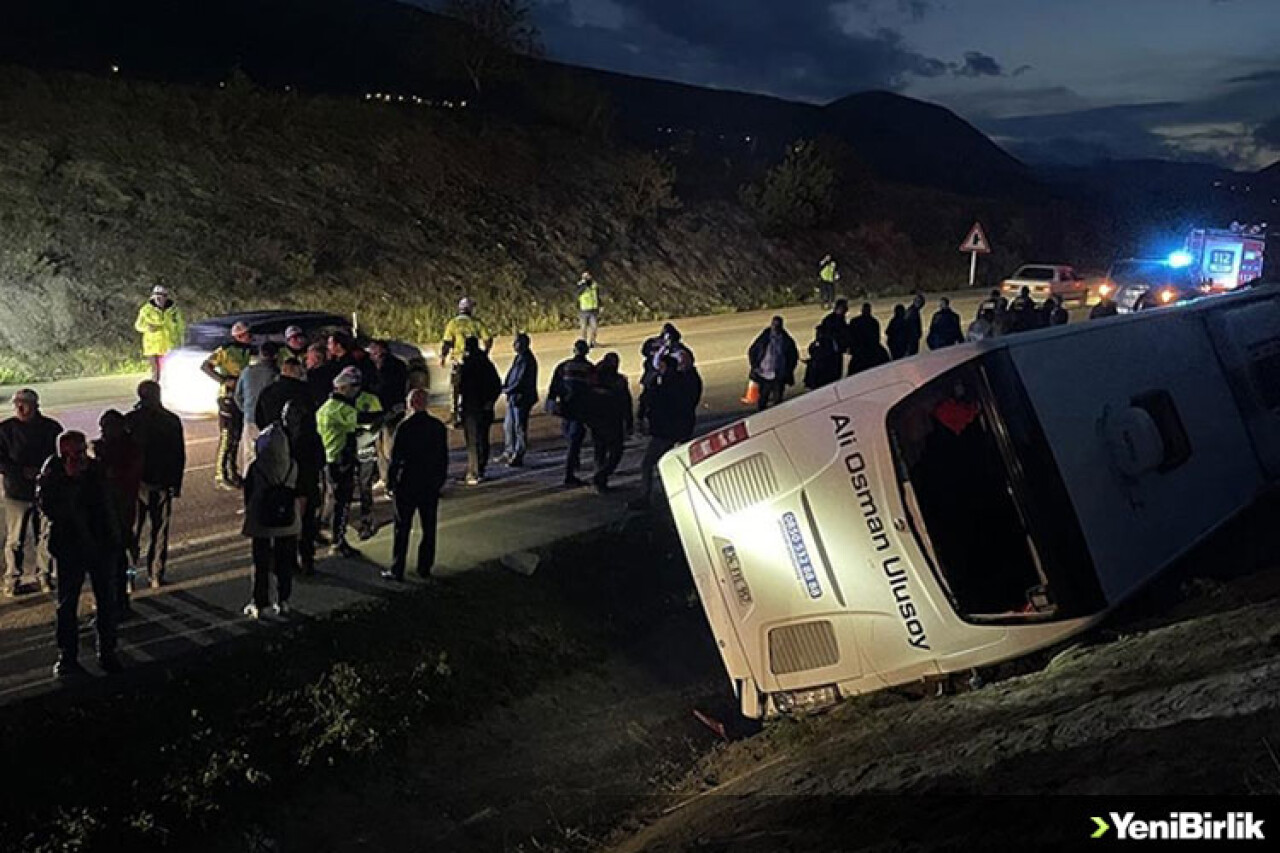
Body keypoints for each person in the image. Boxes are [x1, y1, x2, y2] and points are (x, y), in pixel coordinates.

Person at [38, 431, 122, 677]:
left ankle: (107, 652)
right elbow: (49, 508)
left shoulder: (96, 470)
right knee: (67, 604)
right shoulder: (53, 474)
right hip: (71, 548)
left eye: (80, 451)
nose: (77, 457)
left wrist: (117, 538)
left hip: (100, 545)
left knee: (106, 602)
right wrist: (71, 482)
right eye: (71, 453)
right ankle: (67, 656)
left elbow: (108, 504)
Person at [0, 389, 62, 597]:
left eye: (24, 403)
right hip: (16, 493)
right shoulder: (5, 430)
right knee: (15, 539)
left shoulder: (51, 428)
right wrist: (19, 471)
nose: (20, 407)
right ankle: (12, 579)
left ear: (35, 405)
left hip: (45, 491)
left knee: (44, 536)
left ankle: (44, 575)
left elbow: (57, 457)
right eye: (17, 403)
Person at [125, 380, 185, 588]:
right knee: (159, 532)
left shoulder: (131, 421)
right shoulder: (170, 420)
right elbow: (179, 455)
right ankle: (156, 574)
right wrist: (176, 483)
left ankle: (129, 576)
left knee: (132, 533)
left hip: (137, 483)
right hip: (161, 482)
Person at [384, 389, 448, 581]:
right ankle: (424, 567)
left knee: (402, 528)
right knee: (429, 528)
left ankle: (398, 568)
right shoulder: (437, 427)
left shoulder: (405, 427)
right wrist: (439, 480)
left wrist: (390, 482)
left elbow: (396, 458)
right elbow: (443, 458)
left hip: (407, 483)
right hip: (429, 483)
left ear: (410, 404)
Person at [240, 418, 299, 619]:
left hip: (262, 519)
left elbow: (248, 494)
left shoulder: (257, 467)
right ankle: (284, 601)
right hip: (287, 520)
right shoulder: (292, 465)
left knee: (261, 563)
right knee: (284, 563)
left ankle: (261, 602)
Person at [631, 355, 701, 510]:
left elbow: (649, 400)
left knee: (648, 464)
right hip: (680, 429)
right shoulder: (684, 382)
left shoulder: (662, 385)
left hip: (665, 431)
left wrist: (642, 415)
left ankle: (646, 497)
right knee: (673, 463)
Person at [92, 410, 143, 619]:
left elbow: (123, 479)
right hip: (109, 511)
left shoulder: (128, 449)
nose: (104, 432)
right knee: (111, 558)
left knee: (118, 557)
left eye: (107, 427)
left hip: (120, 510)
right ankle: (114, 599)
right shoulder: (105, 448)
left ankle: (120, 600)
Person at [316, 367, 363, 557]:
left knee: (328, 499)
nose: (357, 390)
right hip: (340, 460)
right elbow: (362, 424)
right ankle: (338, 541)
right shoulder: (343, 409)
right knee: (341, 503)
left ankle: (320, 531)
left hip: (326, 458)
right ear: (343, 388)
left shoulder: (325, 407)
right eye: (354, 386)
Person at [201, 321, 254, 490]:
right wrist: (224, 380)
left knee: (236, 437)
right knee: (227, 436)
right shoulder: (225, 351)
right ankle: (220, 474)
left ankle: (232, 471)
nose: (250, 337)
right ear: (238, 336)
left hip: (240, 397)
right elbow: (205, 366)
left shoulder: (245, 351)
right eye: (246, 334)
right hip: (227, 398)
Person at [547, 340, 596, 487]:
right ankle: (570, 473)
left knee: (570, 437)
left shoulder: (564, 366)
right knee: (575, 441)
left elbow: (554, 386)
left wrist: (552, 401)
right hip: (579, 410)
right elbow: (593, 390)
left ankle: (573, 465)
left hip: (566, 408)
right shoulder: (589, 368)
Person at [440, 297, 493, 426]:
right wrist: (485, 353)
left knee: (455, 389)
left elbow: (447, 342)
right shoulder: (476, 323)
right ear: (470, 309)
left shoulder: (452, 323)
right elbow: (488, 339)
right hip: (474, 362)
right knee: (472, 388)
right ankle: (469, 413)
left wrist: (442, 356)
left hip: (458, 362)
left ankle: (454, 415)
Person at [458, 337, 502, 485]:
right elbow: (496, 385)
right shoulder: (486, 364)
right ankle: (478, 469)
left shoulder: (469, 366)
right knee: (482, 440)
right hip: (482, 408)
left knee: (474, 442)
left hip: (473, 408)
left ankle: (475, 472)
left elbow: (460, 388)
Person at [586, 352, 632, 493]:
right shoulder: (618, 381)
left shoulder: (594, 380)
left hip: (598, 421)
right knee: (615, 452)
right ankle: (601, 477)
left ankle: (600, 478)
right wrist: (629, 421)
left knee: (600, 452)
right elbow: (626, 403)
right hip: (612, 421)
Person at [235, 341, 280, 479]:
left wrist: (246, 410)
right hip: (270, 420)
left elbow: (238, 395)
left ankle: (249, 482)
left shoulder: (247, 372)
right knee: (270, 454)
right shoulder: (275, 374)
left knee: (249, 454)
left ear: (260, 354)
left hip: (250, 418)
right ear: (275, 356)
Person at [368, 340, 409, 486]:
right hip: (391, 407)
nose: (371, 354)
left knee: (387, 445)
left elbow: (384, 387)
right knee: (382, 443)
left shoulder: (387, 367)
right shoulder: (398, 364)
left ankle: (391, 478)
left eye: (373, 351)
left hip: (387, 408)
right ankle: (386, 476)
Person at [353, 378, 385, 539]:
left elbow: (378, 422)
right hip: (346, 449)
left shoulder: (370, 399)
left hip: (364, 448)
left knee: (365, 485)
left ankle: (366, 521)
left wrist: (366, 434)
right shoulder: (341, 399)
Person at [500, 332, 538, 467]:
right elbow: (511, 375)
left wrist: (507, 390)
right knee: (508, 425)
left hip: (521, 398)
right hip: (514, 397)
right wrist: (505, 386)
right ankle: (509, 451)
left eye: (516, 343)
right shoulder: (519, 358)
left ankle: (518, 454)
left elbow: (520, 381)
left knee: (519, 427)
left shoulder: (527, 360)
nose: (513, 345)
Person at [133, 284, 185, 382]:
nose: (159, 297)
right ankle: (154, 392)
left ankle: (167, 393)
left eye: (162, 295)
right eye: (156, 294)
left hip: (169, 346)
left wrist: (181, 343)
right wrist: (147, 328)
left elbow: (180, 327)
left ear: (166, 296)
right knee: (156, 373)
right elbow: (138, 325)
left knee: (169, 372)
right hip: (152, 347)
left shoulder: (174, 310)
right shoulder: (146, 310)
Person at [747, 316, 799, 411]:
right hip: (764, 374)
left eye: (777, 325)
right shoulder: (764, 337)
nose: (775, 327)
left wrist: (788, 371)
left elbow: (793, 356)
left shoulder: (786, 340)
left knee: (778, 401)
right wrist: (754, 366)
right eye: (774, 325)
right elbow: (752, 350)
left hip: (779, 375)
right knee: (763, 399)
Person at [847, 302, 889, 375]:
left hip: (860, 352)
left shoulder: (855, 321)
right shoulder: (874, 322)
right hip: (870, 351)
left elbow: (851, 337)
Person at [803, 324, 843, 390]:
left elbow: (827, 356)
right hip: (818, 373)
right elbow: (811, 351)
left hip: (824, 373)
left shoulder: (830, 343)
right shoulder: (819, 342)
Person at [576, 270, 601, 348]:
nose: (587, 278)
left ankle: (592, 342)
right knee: (583, 328)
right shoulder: (580, 285)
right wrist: (584, 285)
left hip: (593, 309)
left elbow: (597, 296)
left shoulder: (594, 285)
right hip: (584, 310)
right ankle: (584, 344)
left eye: (588, 276)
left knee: (594, 327)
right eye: (585, 276)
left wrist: (600, 305)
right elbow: (578, 293)